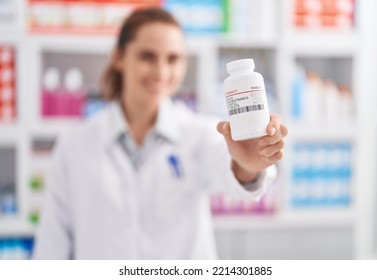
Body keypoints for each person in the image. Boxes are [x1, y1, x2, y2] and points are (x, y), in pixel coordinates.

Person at [33, 7, 288, 260]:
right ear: (120, 57)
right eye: (148, 56)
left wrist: (249, 163)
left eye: (173, 58)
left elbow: (231, 168)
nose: (162, 71)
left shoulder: (198, 133)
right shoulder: (75, 145)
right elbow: (51, 246)